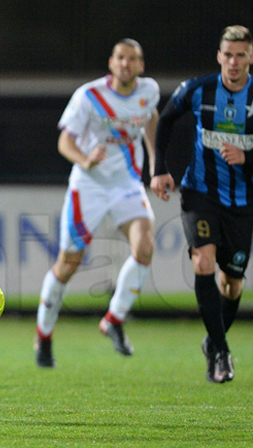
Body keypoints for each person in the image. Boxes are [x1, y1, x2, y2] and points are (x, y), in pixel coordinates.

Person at [35, 39, 160, 368]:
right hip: (88, 186)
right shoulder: (89, 96)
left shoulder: (149, 91)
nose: (125, 63)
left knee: (145, 247)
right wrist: (86, 160)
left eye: (132, 59)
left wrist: (155, 162)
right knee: (68, 263)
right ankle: (43, 335)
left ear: (140, 65)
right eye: (120, 57)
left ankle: (114, 319)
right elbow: (65, 141)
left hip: (127, 184)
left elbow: (150, 116)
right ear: (111, 63)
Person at [151, 25, 253, 384]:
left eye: (241, 55)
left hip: (242, 201)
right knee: (203, 260)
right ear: (219, 56)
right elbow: (165, 121)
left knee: (232, 285)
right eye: (228, 55)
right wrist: (160, 169)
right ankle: (222, 353)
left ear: (251, 57)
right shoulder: (198, 89)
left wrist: (247, 157)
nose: (234, 62)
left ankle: (213, 341)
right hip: (200, 193)